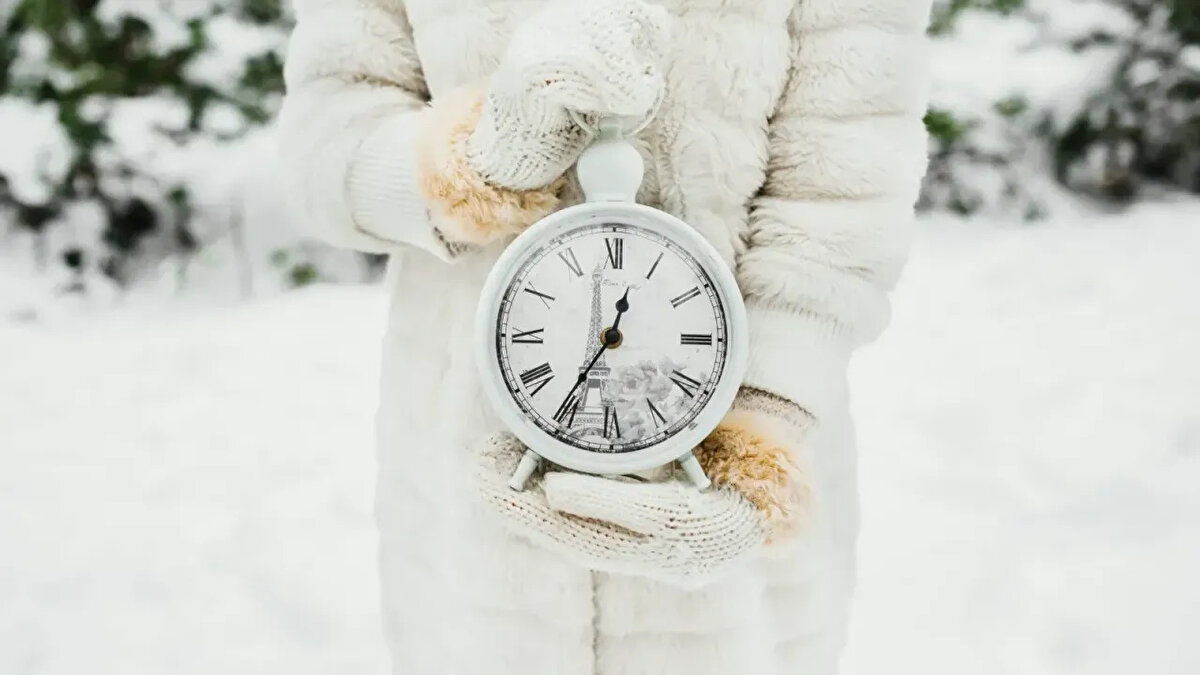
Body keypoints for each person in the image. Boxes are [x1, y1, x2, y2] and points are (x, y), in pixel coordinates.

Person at [278, 0, 931, 672]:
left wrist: (759, 438)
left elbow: (848, 175)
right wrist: (481, 156)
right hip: (474, 531)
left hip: (723, 549)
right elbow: (323, 146)